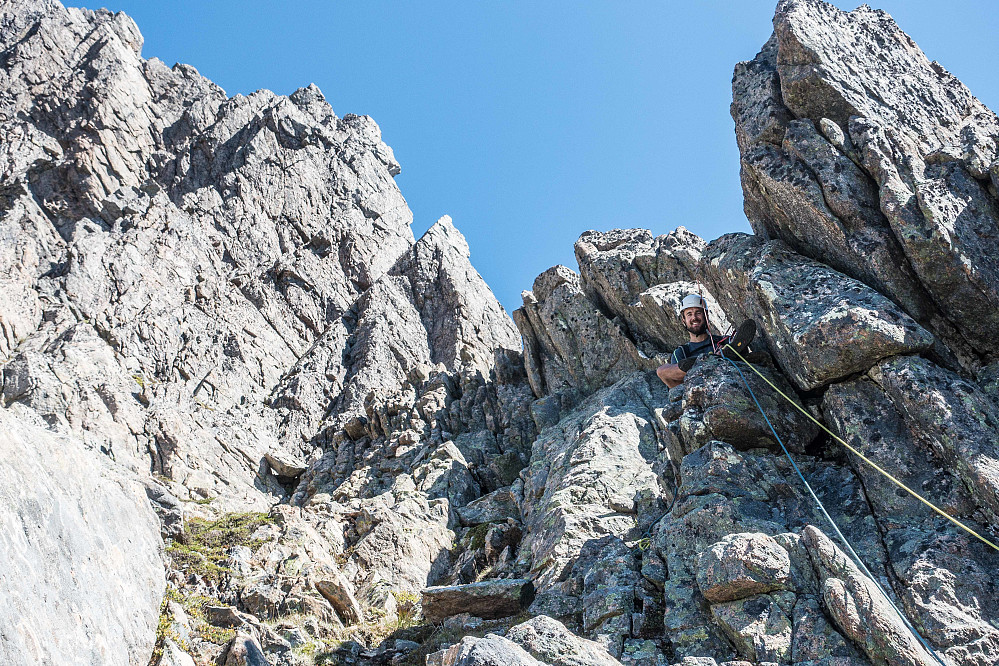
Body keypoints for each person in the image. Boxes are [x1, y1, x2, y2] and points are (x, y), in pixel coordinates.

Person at [656, 294, 756, 388]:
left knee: (738, 349)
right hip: (697, 388)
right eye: (689, 314)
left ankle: (716, 358)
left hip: (727, 379)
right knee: (661, 370)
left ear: (706, 316)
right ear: (683, 320)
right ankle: (711, 360)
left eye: (698, 313)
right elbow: (677, 382)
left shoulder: (723, 341)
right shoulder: (681, 352)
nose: (694, 318)